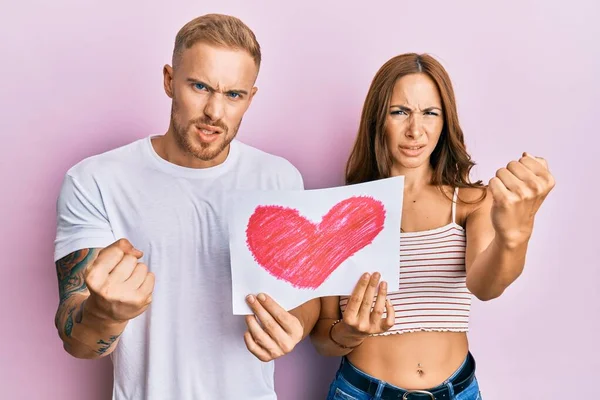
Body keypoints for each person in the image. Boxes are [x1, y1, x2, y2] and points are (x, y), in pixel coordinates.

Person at [53, 14, 319, 400]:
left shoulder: (279, 180)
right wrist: (103, 312)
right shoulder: (95, 180)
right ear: (169, 81)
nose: (215, 111)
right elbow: (75, 340)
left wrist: (293, 325)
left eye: (233, 95)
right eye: (200, 86)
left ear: (250, 98)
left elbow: (303, 296)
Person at [310, 53, 555, 399]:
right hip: (361, 392)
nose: (415, 130)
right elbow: (321, 338)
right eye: (400, 112)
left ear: (445, 121)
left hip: (456, 392)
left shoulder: (470, 203)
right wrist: (348, 332)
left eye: (430, 113)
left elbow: (485, 285)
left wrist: (514, 236)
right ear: (378, 119)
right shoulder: (338, 214)